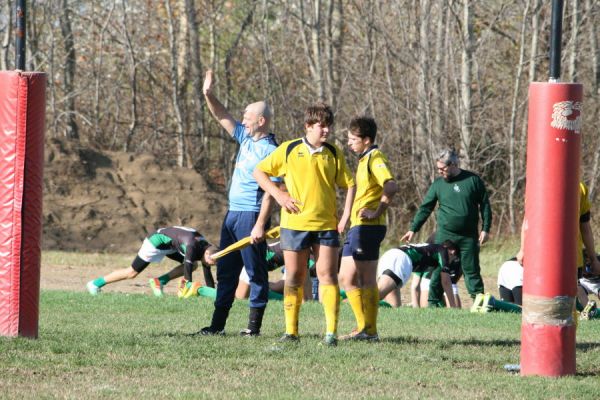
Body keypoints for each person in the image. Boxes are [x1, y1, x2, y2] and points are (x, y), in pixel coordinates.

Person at [253, 102, 356, 346]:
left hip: (325, 226)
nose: (327, 131)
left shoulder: (333, 153)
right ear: (308, 126)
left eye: (328, 126)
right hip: (294, 225)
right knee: (294, 277)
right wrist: (279, 196)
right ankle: (291, 333)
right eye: (322, 126)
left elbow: (350, 184)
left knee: (327, 275)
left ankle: (331, 334)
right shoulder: (289, 150)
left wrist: (345, 216)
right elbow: (259, 172)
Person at [198, 70, 280, 337]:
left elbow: (271, 192)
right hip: (232, 214)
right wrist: (208, 94)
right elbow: (222, 115)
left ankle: (253, 329)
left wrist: (259, 224)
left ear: (261, 120)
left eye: (247, 117)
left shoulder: (272, 151)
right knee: (227, 272)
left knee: (256, 273)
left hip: (251, 216)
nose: (242, 120)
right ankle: (216, 327)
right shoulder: (245, 138)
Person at [401, 148, 492, 307]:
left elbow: (485, 205)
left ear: (454, 164)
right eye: (438, 168)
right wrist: (413, 228)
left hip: (468, 236)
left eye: (443, 168)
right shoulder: (438, 184)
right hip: (445, 234)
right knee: (439, 269)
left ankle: (480, 304)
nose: (440, 171)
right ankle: (433, 303)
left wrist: (485, 228)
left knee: (472, 270)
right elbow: (425, 208)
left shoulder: (472, 180)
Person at [338, 116, 398, 341]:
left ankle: (370, 331)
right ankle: (362, 326)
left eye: (353, 139)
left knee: (367, 279)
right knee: (346, 277)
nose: (349, 143)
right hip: (356, 227)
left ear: (366, 140)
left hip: (368, 228)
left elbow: (391, 186)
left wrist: (377, 212)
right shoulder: (363, 159)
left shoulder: (375, 157)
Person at [86, 226, 217, 295]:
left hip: (170, 246)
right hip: (155, 243)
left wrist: (213, 292)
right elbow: (188, 277)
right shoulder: (192, 246)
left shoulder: (206, 247)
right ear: (206, 253)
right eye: (211, 261)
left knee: (194, 265)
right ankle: (95, 284)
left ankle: (159, 282)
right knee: (131, 273)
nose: (210, 264)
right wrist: (186, 288)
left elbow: (206, 267)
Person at [375, 241, 460, 309]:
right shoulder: (442, 250)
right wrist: (453, 307)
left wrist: (416, 307)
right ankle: (362, 305)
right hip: (400, 259)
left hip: (390, 255)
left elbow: (415, 285)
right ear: (452, 251)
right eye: (453, 257)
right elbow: (446, 282)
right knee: (375, 297)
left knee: (394, 308)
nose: (450, 261)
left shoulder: (425, 253)